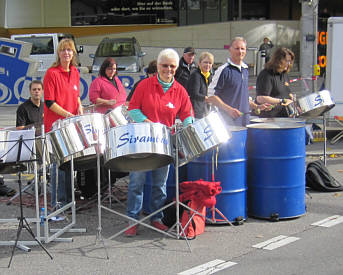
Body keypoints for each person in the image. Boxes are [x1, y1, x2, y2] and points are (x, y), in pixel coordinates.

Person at [126, 48, 194, 237]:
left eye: (172, 66)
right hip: (141, 142)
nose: (169, 69)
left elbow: (188, 114)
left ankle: (156, 218)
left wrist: (187, 125)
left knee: (159, 184)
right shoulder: (144, 85)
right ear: (157, 65)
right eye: (165, 65)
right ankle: (133, 219)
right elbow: (132, 110)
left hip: (164, 144)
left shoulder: (179, 90)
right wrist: (150, 124)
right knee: (136, 183)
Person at [43, 38, 83, 209]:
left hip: (70, 124)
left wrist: (79, 106)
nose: (66, 53)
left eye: (69, 50)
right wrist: (67, 114)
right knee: (58, 165)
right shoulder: (51, 73)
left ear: (73, 53)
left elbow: (76, 95)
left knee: (70, 164)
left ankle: (68, 202)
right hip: (56, 125)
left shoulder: (74, 71)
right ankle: (57, 204)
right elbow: (49, 102)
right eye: (63, 50)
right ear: (58, 53)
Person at [207, 37, 268, 127]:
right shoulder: (223, 70)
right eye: (237, 48)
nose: (240, 51)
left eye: (242, 49)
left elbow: (242, 97)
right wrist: (229, 110)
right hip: (228, 125)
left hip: (244, 123)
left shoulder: (245, 70)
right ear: (230, 50)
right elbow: (211, 96)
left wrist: (257, 107)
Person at [255, 47, 295, 118]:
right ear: (278, 60)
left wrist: (291, 98)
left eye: (289, 61)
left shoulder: (284, 74)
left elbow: (285, 92)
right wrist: (282, 101)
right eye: (286, 61)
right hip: (270, 119)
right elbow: (260, 98)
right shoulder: (266, 74)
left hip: (284, 117)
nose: (288, 64)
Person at [186, 52, 214, 119]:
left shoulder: (211, 76)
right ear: (199, 63)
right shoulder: (195, 75)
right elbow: (194, 94)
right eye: (205, 62)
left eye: (210, 63)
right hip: (196, 112)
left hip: (206, 111)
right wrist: (207, 98)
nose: (207, 65)